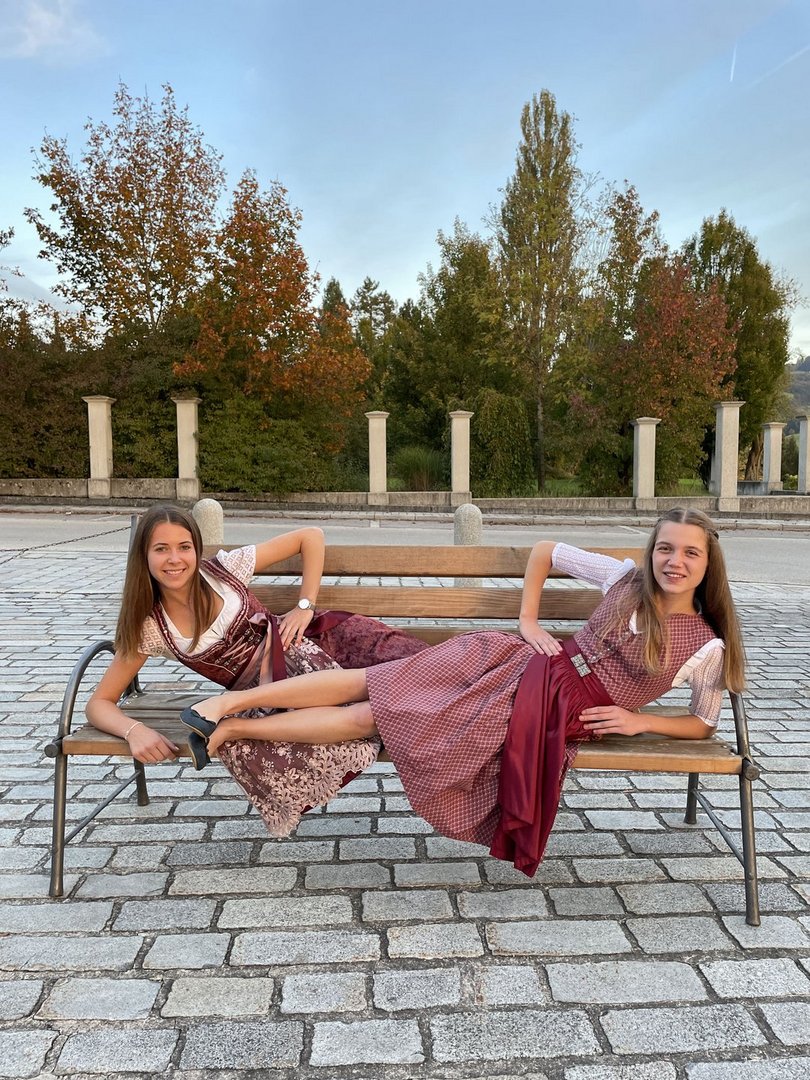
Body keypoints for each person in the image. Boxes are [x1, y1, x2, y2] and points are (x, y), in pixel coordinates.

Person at [179, 507, 746, 874]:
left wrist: (640, 721)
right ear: (652, 550)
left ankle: (234, 727)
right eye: (666, 548)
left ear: (707, 564)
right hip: (507, 661)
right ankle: (225, 705)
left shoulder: (705, 647)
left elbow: (703, 723)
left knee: (368, 717)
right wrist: (528, 622)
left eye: (689, 553)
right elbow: (546, 550)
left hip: (544, 715)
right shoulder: (624, 578)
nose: (674, 561)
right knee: (367, 686)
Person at [86, 504, 426, 835]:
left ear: (196, 549)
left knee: (426, 679)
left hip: (324, 646)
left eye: (184, 547)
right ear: (143, 556)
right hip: (272, 696)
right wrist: (134, 731)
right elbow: (99, 703)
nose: (175, 558)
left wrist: (304, 606)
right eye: (161, 549)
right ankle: (236, 726)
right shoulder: (151, 628)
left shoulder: (223, 570)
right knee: (380, 713)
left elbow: (310, 536)